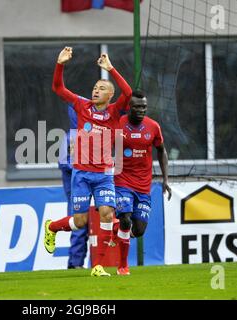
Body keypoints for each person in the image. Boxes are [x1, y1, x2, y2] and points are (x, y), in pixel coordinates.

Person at [44, 47, 132, 277]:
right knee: (81, 221)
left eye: (101, 88)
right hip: (81, 174)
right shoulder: (81, 105)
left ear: (110, 95)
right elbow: (58, 88)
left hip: (104, 175)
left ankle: (98, 266)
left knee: (106, 214)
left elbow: (129, 93)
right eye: (95, 87)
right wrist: (60, 63)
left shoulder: (114, 112)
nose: (96, 90)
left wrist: (110, 69)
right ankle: (52, 227)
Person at [113, 90, 172, 275]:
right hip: (122, 181)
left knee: (138, 230)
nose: (141, 110)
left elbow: (162, 151)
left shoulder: (153, 127)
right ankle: (123, 266)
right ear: (129, 107)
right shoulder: (118, 124)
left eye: (144, 107)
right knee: (125, 218)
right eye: (137, 106)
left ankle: (119, 231)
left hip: (143, 185)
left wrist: (165, 179)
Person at [58, 103, 89, 269]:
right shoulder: (71, 136)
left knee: (84, 224)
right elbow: (64, 163)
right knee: (79, 223)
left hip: (84, 186)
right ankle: (75, 263)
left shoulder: (86, 135)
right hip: (75, 188)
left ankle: (77, 262)